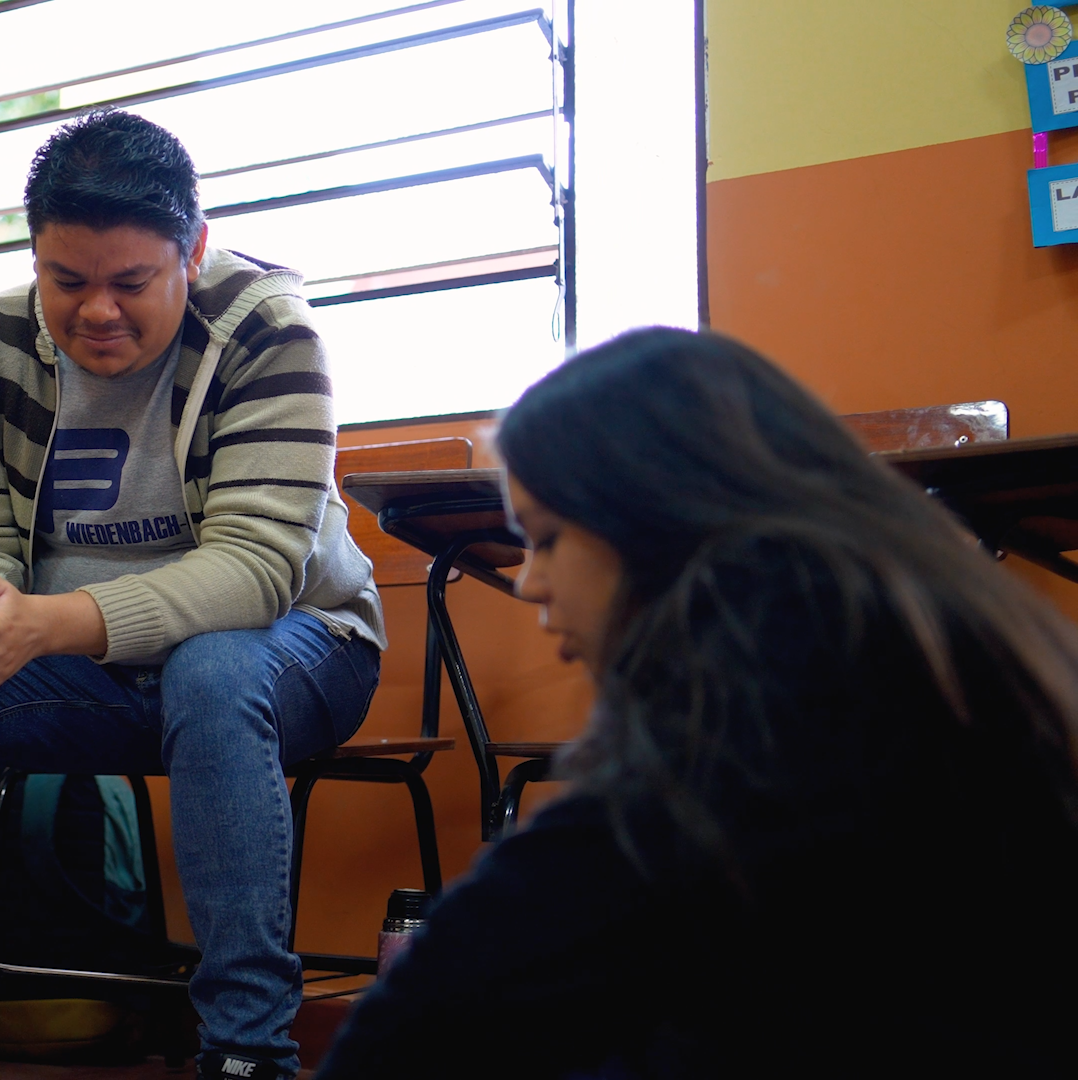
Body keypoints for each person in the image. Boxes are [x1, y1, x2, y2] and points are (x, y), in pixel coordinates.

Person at [315, 328, 1078, 1078]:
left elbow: (413, 1024)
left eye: (546, 539)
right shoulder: (935, 646)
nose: (530, 582)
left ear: (657, 517)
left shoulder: (760, 723)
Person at [0, 109, 385, 1080]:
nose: (97, 310)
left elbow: (258, 569)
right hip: (88, 669)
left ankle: (246, 1048)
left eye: (132, 283)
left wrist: (52, 623)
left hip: (300, 645)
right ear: (35, 257)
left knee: (215, 671)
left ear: (195, 249)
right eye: (68, 281)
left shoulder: (267, 329)